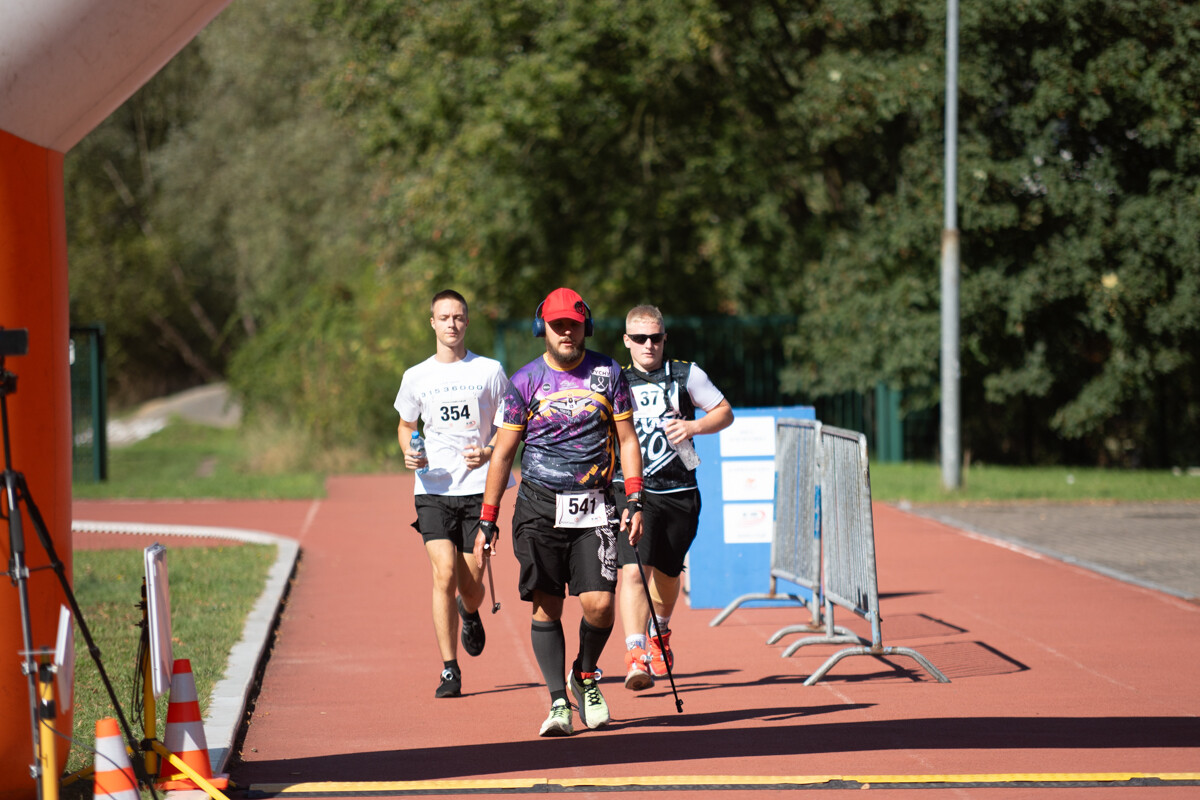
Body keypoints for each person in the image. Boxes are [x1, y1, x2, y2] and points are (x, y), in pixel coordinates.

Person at [474, 287, 644, 737]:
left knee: (600, 605)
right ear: (542, 329)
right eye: (557, 325)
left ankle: (584, 675)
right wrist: (487, 518)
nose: (567, 332)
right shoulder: (525, 382)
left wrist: (635, 498)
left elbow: (627, 439)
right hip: (538, 508)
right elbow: (504, 452)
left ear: (585, 324)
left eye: (574, 324)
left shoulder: (609, 373)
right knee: (546, 607)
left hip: (596, 507)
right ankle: (557, 702)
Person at [394, 289, 513, 699]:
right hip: (432, 489)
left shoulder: (490, 371)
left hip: (480, 490)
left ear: (467, 322)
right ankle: (449, 669)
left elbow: (509, 426)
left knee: (471, 585)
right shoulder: (416, 376)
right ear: (432, 322)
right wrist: (409, 452)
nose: (452, 324)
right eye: (444, 317)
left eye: (459, 317)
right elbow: (406, 425)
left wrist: (489, 451)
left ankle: (469, 611)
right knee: (443, 572)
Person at [615, 304, 733, 690]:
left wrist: (694, 425)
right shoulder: (614, 380)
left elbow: (724, 412)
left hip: (680, 490)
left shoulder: (686, 374)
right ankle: (636, 656)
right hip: (633, 491)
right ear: (626, 341)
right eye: (639, 338)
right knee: (633, 570)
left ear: (665, 338)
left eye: (655, 338)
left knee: (667, 575)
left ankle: (660, 630)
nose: (648, 345)